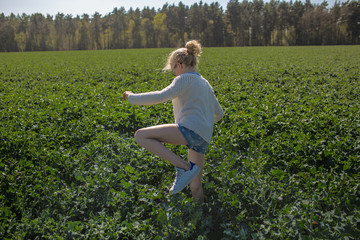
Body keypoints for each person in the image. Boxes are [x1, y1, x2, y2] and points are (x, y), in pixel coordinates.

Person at [123, 40, 224, 203]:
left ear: (180, 64)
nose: (174, 74)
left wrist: (131, 97)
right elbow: (219, 114)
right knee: (195, 182)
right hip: (204, 137)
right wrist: (203, 119)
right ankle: (200, 213)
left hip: (190, 130)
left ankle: (184, 168)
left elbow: (160, 96)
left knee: (141, 136)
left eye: (173, 70)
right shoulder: (206, 84)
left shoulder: (184, 79)